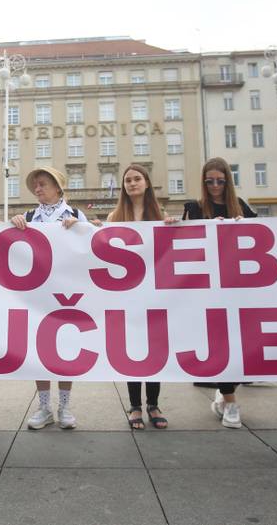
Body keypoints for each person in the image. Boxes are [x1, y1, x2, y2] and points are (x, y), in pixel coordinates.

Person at [11, 166, 102, 429]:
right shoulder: (29, 216)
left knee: (66, 348)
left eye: (42, 184)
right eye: (36, 185)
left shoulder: (75, 213)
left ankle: (64, 406)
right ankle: (43, 407)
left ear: (58, 188)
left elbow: (94, 243)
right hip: (37, 294)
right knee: (39, 350)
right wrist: (14, 224)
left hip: (67, 292)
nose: (38, 189)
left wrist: (84, 227)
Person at [183, 157, 256, 429]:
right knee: (221, 346)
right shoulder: (194, 208)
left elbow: (269, 235)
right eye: (209, 181)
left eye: (220, 181)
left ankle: (224, 397)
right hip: (207, 292)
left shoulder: (243, 208)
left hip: (238, 289)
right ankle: (231, 402)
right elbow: (180, 246)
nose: (215, 186)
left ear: (228, 181)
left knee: (240, 346)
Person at [107, 164, 178, 430]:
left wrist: (171, 226)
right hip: (127, 294)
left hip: (155, 294)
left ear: (147, 183)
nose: (132, 183)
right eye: (127, 180)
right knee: (132, 349)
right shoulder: (116, 216)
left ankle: (154, 404)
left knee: (155, 348)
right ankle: (135, 406)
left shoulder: (159, 215)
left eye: (137, 179)